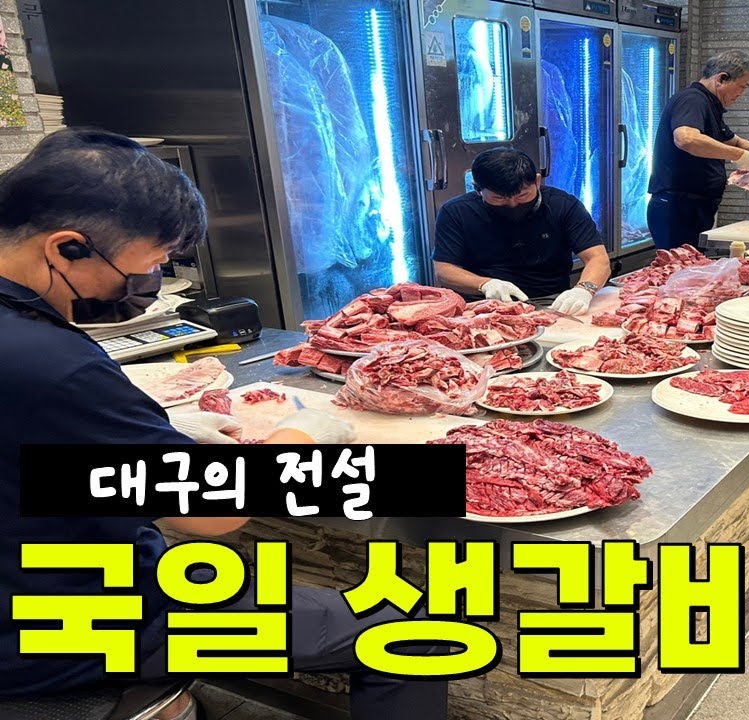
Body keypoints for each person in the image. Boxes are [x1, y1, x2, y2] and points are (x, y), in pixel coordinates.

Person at [0, 129, 446, 720]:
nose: (151, 283)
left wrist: (151, 434)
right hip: (64, 627)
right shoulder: (52, 363)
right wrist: (303, 434)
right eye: (149, 264)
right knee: (409, 633)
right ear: (68, 249)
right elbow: (211, 515)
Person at [647, 50, 749, 250]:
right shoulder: (693, 99)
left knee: (694, 263)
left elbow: (733, 141)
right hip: (677, 207)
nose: (741, 94)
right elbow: (686, 138)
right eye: (742, 86)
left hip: (695, 206)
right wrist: (739, 156)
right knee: (679, 265)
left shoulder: (711, 104)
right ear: (722, 79)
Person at [432, 147, 611, 316]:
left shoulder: (563, 205)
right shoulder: (456, 211)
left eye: (522, 195)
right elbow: (445, 270)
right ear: (477, 189)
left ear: (537, 181)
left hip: (551, 301)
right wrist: (485, 284)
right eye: (499, 198)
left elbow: (597, 258)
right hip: (483, 306)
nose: (513, 204)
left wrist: (584, 289)